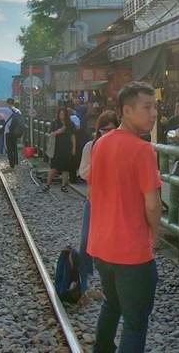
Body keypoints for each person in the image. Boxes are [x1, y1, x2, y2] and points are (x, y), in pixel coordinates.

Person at [89, 82, 162, 353]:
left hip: (101, 245)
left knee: (112, 304)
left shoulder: (101, 143)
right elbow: (152, 204)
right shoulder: (143, 150)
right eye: (147, 107)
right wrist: (156, 234)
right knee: (135, 323)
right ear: (127, 110)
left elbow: (94, 191)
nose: (153, 113)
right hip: (131, 250)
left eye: (155, 106)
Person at [77, 110, 119, 294]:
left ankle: (112, 280)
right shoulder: (90, 146)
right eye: (104, 130)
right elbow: (83, 172)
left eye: (111, 129)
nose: (107, 133)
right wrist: (101, 161)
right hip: (94, 199)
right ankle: (83, 278)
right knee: (86, 238)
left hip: (117, 201)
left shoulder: (122, 147)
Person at [46, 105, 78, 191]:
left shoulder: (70, 124)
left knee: (66, 168)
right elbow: (50, 134)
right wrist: (58, 132)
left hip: (67, 147)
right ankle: (48, 184)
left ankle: (63, 185)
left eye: (63, 114)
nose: (62, 115)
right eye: (60, 114)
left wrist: (74, 147)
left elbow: (73, 136)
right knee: (54, 167)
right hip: (56, 148)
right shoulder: (55, 123)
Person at [4, 100, 24, 168]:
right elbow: (21, 121)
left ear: (7, 103)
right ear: (13, 103)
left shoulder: (6, 111)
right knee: (14, 147)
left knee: (9, 148)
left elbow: (1, 117)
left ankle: (11, 164)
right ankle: (16, 162)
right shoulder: (18, 111)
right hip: (15, 132)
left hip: (8, 132)